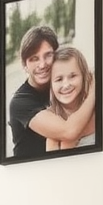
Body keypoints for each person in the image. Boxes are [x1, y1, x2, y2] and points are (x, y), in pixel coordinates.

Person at [7, 24, 96, 160]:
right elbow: (69, 131)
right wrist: (94, 91)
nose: (42, 65)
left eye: (48, 55)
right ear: (24, 65)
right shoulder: (20, 102)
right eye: (34, 59)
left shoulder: (60, 85)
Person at [45, 45, 95, 151]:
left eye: (73, 76)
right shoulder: (52, 123)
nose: (66, 85)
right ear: (50, 85)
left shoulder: (96, 108)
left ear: (84, 76)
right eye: (59, 79)